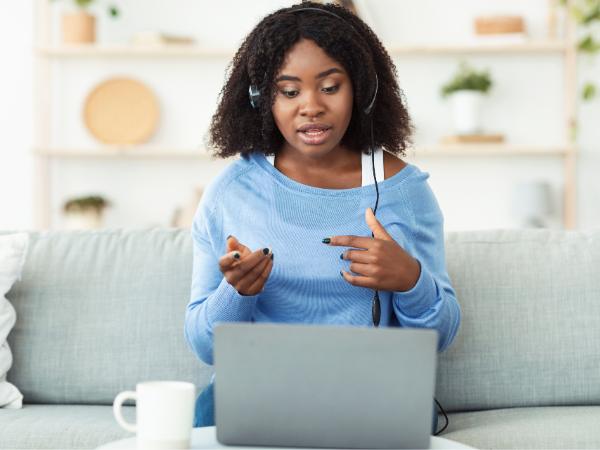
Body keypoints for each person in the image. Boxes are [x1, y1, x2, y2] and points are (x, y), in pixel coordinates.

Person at [184, 1, 461, 436]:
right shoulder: (231, 192)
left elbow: (441, 337)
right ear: (262, 99)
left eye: (330, 87)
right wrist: (235, 292)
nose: (310, 106)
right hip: (254, 391)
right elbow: (204, 346)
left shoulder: (405, 192)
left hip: (374, 392)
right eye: (290, 92)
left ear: (362, 90)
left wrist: (410, 279)